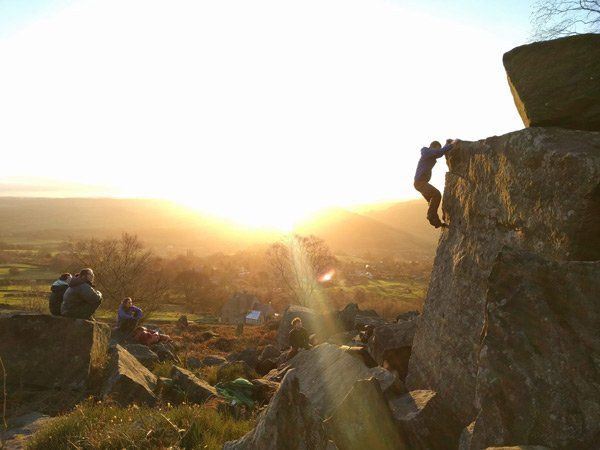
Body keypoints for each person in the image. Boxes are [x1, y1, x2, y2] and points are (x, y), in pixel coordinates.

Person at [414, 138, 459, 228]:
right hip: (420, 183)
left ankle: (437, 223)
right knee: (436, 194)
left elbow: (439, 152)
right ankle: (431, 216)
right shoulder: (426, 152)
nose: (437, 151)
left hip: (420, 183)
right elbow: (439, 152)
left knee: (432, 201)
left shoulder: (429, 153)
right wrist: (452, 144)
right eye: (437, 148)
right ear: (432, 146)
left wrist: (447, 143)